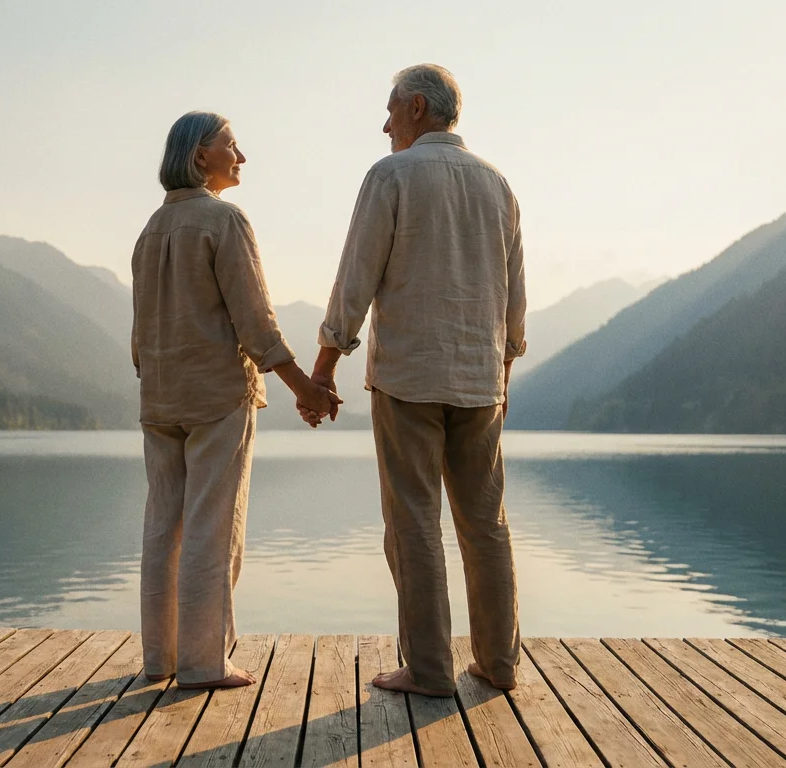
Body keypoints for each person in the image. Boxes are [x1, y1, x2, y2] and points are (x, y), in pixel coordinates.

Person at [308, 64, 527, 696]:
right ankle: (499, 662)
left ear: (418, 109)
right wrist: (503, 370)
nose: (384, 123)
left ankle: (429, 669)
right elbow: (514, 296)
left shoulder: (391, 176)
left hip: (408, 376)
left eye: (390, 109)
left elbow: (356, 280)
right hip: (481, 382)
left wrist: (324, 368)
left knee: (414, 523)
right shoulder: (498, 185)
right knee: (486, 525)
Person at [132, 111, 341, 689]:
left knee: (162, 525)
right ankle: (202, 663)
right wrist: (307, 388)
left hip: (159, 399)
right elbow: (256, 323)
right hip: (218, 396)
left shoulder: (149, 231)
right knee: (211, 528)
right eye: (231, 146)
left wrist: (153, 377)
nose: (241, 157)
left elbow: (138, 333)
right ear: (202, 156)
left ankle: (161, 658)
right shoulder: (224, 221)